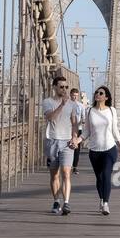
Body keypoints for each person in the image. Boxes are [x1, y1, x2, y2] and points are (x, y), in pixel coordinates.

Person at [76, 85, 120, 215]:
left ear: (106, 97)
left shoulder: (112, 111)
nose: (98, 94)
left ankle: (106, 204)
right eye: (97, 92)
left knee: (106, 175)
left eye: (101, 93)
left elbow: (114, 129)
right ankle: (102, 199)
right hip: (94, 150)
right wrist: (78, 140)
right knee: (99, 178)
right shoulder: (90, 111)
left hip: (110, 149)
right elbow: (86, 131)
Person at [42, 76, 76, 215]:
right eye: (61, 87)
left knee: (66, 173)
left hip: (67, 142)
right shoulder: (47, 102)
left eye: (66, 87)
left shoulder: (72, 104)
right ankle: (56, 201)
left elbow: (74, 123)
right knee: (54, 175)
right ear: (54, 87)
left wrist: (74, 137)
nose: (64, 89)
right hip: (52, 141)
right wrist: (62, 104)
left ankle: (66, 203)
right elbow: (50, 118)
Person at [70, 88, 86, 174]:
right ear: (70, 95)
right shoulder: (67, 105)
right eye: (73, 95)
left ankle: (75, 167)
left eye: (76, 96)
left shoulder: (81, 106)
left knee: (76, 148)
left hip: (78, 129)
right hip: (68, 129)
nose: (75, 97)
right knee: (68, 147)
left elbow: (84, 117)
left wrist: (82, 121)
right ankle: (68, 165)